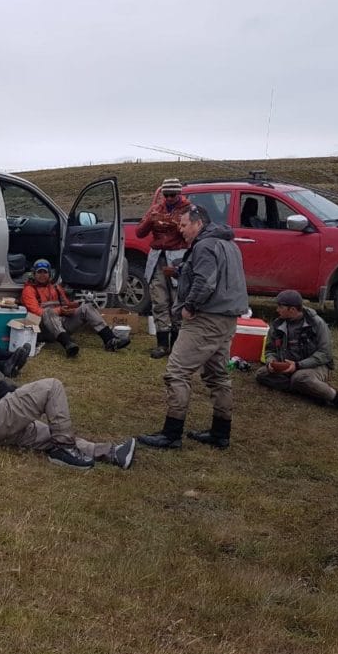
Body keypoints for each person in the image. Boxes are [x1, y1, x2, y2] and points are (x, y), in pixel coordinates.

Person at [0, 329, 136, 470]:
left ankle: (112, 453)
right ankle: (64, 449)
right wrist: (24, 398)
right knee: (51, 386)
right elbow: (2, 388)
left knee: (50, 432)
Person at [138, 204, 249, 450]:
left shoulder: (205, 245)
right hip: (227, 319)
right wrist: (180, 270)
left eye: (184, 225)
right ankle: (221, 433)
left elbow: (206, 281)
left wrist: (189, 306)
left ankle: (171, 433)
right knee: (217, 375)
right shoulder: (228, 244)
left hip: (205, 319)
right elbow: (214, 275)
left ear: (199, 223)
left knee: (177, 371)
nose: (181, 229)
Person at [255, 290, 338, 420]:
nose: (277, 310)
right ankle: (311, 392)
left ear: (292, 309)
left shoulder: (317, 323)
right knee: (262, 374)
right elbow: (270, 350)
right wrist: (271, 362)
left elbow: (325, 354)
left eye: (281, 307)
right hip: (288, 367)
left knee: (300, 377)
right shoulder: (278, 324)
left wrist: (298, 365)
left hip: (316, 366)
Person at [20, 258, 129, 357]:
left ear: (50, 274)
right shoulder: (29, 290)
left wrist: (76, 305)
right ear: (34, 274)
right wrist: (60, 310)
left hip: (61, 325)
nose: (42, 275)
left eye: (45, 272)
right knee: (48, 312)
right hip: (43, 330)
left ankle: (110, 340)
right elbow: (36, 312)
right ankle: (68, 344)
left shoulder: (56, 287)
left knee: (87, 307)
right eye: (39, 272)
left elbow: (66, 304)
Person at [135, 178, 192, 359]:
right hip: (157, 258)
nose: (168, 198)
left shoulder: (189, 210)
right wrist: (150, 220)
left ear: (179, 193)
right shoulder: (155, 209)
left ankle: (176, 345)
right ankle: (161, 344)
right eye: (165, 194)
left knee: (178, 301)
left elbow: (193, 234)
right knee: (159, 302)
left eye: (172, 194)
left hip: (178, 257)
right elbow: (139, 232)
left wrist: (175, 224)